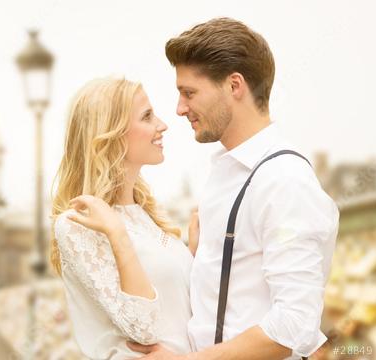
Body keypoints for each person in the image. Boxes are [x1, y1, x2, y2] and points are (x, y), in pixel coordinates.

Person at [126, 17, 339, 360]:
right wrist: (200, 260)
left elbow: (294, 324)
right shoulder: (228, 172)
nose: (180, 109)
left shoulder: (285, 181)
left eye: (189, 92)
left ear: (234, 85)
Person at [52, 77, 198, 359]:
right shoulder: (76, 224)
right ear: (111, 133)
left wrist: (195, 254)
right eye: (147, 116)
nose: (162, 125)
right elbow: (142, 329)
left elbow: (177, 312)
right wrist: (118, 235)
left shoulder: (147, 215)